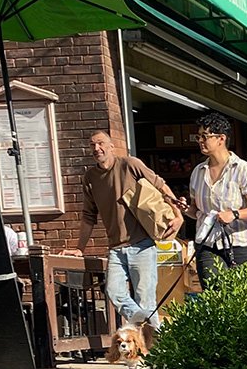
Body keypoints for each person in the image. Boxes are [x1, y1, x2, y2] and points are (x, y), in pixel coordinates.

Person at [65, 130, 183, 347]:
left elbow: (160, 184)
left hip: (142, 245)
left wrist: (177, 214)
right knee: (114, 291)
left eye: (101, 143)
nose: (96, 149)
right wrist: (79, 249)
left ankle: (151, 353)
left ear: (111, 146)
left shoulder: (130, 164)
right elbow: (89, 216)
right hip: (115, 248)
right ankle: (150, 327)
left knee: (145, 298)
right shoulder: (90, 177)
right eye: (92, 145)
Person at [186, 110, 247, 288]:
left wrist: (235, 214)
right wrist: (184, 208)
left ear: (221, 139)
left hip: (241, 244)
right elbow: (196, 211)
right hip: (208, 244)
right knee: (214, 296)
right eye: (198, 136)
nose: (200, 141)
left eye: (205, 136)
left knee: (242, 300)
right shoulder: (198, 172)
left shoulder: (242, 169)